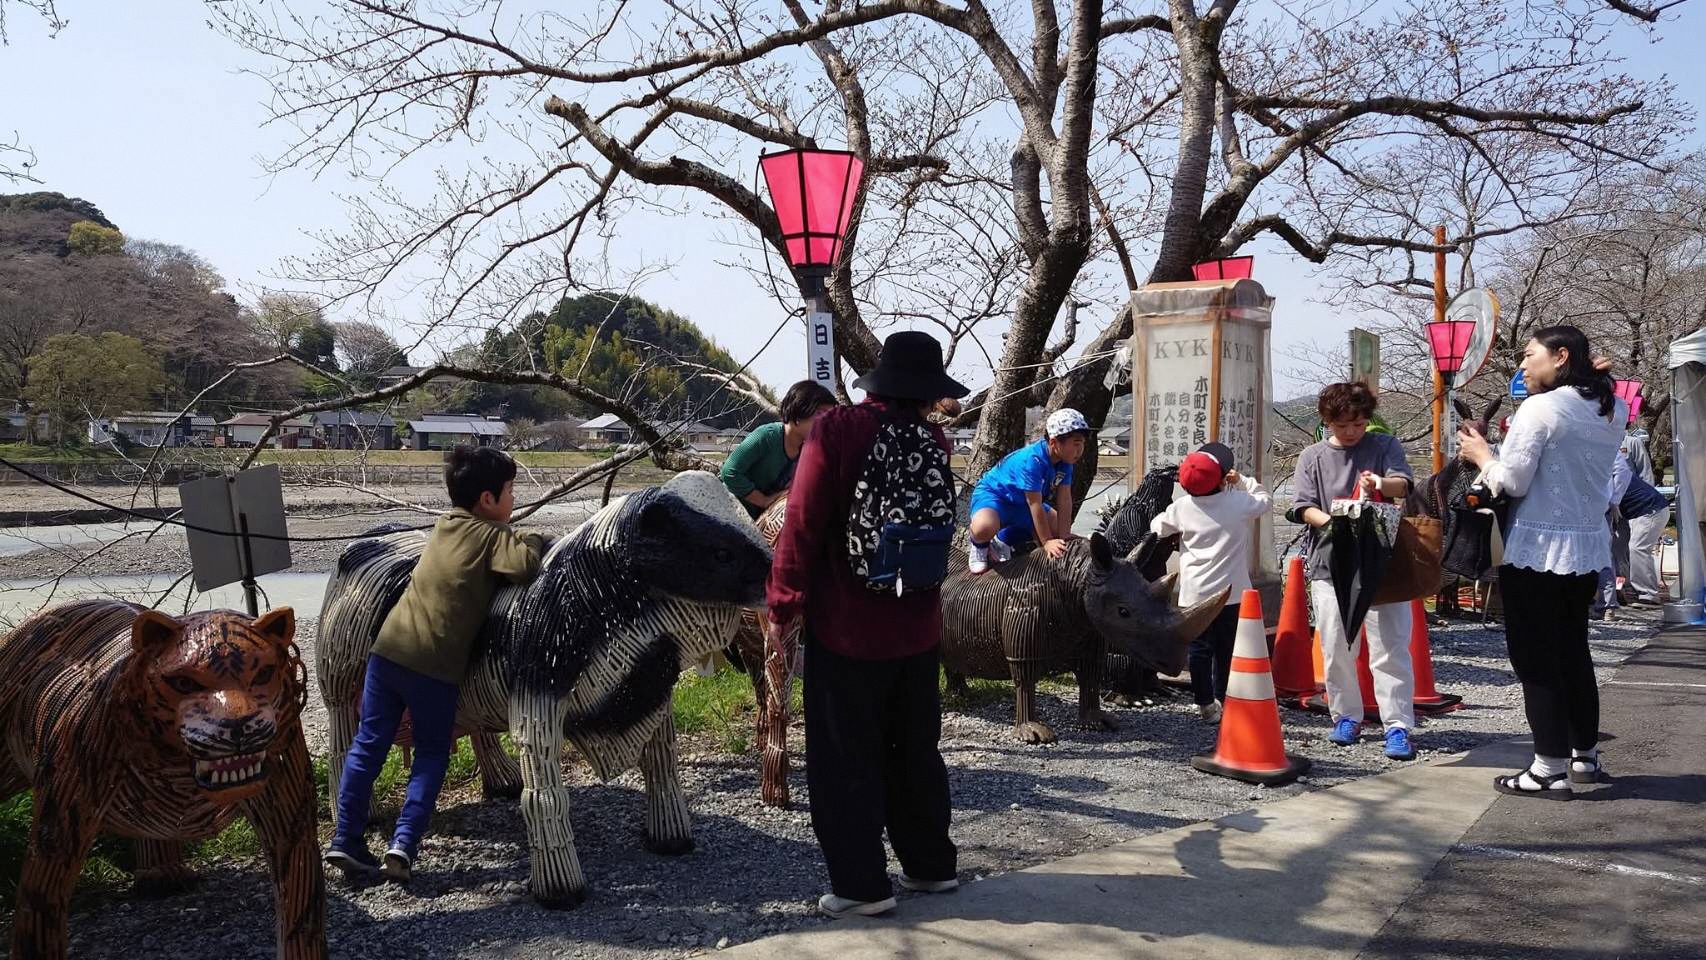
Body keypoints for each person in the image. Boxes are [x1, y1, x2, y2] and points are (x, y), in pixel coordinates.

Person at [766, 330, 967, 919]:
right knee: (915, 750)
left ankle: (861, 886)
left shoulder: (838, 429)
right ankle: (931, 867)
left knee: (845, 753)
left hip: (848, 627)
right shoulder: (933, 440)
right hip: (918, 626)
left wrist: (782, 602)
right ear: (929, 391)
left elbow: (801, 522)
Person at [325, 446, 545, 882]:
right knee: (430, 754)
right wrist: (533, 538)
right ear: (488, 500)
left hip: (386, 653)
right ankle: (403, 844)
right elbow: (525, 566)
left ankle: (345, 839)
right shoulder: (492, 536)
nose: (513, 499)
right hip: (435, 668)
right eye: (509, 491)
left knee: (368, 744)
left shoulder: (446, 525)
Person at [1457, 325, 1625, 799]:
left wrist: (1482, 454)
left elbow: (1512, 480)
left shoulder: (1541, 407)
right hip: (1587, 546)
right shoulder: (1614, 408)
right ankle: (1584, 756)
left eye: (1530, 356)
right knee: (1573, 651)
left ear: (1560, 356)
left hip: (1536, 548)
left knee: (1535, 659)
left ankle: (1547, 766)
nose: (1523, 366)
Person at [1288, 381, 1418, 761]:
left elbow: (1404, 484)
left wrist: (1379, 482)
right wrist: (1331, 522)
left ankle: (1398, 724)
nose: (1350, 432)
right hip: (1331, 562)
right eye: (1342, 425)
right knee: (1337, 644)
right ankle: (1346, 715)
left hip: (1382, 563)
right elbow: (1301, 505)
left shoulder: (1384, 446)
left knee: (1390, 645)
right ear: (1327, 421)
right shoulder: (1312, 456)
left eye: (1358, 424)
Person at [1149, 442, 1271, 722]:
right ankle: (1226, 699)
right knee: (1227, 648)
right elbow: (1264, 500)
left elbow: (1157, 526)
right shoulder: (1238, 503)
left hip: (1194, 594)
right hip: (1232, 593)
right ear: (1221, 479)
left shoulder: (1182, 508)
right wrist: (1241, 480)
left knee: (1199, 649)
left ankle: (1204, 703)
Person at [965, 408, 1091, 573]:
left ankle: (1003, 540)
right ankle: (979, 545)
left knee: (1058, 530)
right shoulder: (1033, 460)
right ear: (1054, 442)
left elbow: (1065, 498)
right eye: (1076, 444)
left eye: (1082, 443)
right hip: (996, 499)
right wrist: (1046, 542)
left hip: (1023, 505)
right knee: (984, 526)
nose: (1080, 450)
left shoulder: (1065, 462)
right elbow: (1035, 504)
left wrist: (1064, 533)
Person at [720, 380, 838, 518]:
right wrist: (763, 501)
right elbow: (729, 472)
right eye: (819, 414)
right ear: (800, 410)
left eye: (829, 416)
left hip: (762, 522)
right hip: (728, 513)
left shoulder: (808, 450)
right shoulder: (767, 436)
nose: (825, 422)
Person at [1621, 432, 1672, 604]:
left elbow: (1645, 473)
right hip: (1634, 511)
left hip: (1649, 509)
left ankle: (1648, 594)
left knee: (1638, 548)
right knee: (1626, 550)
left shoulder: (1631, 443)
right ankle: (1628, 589)